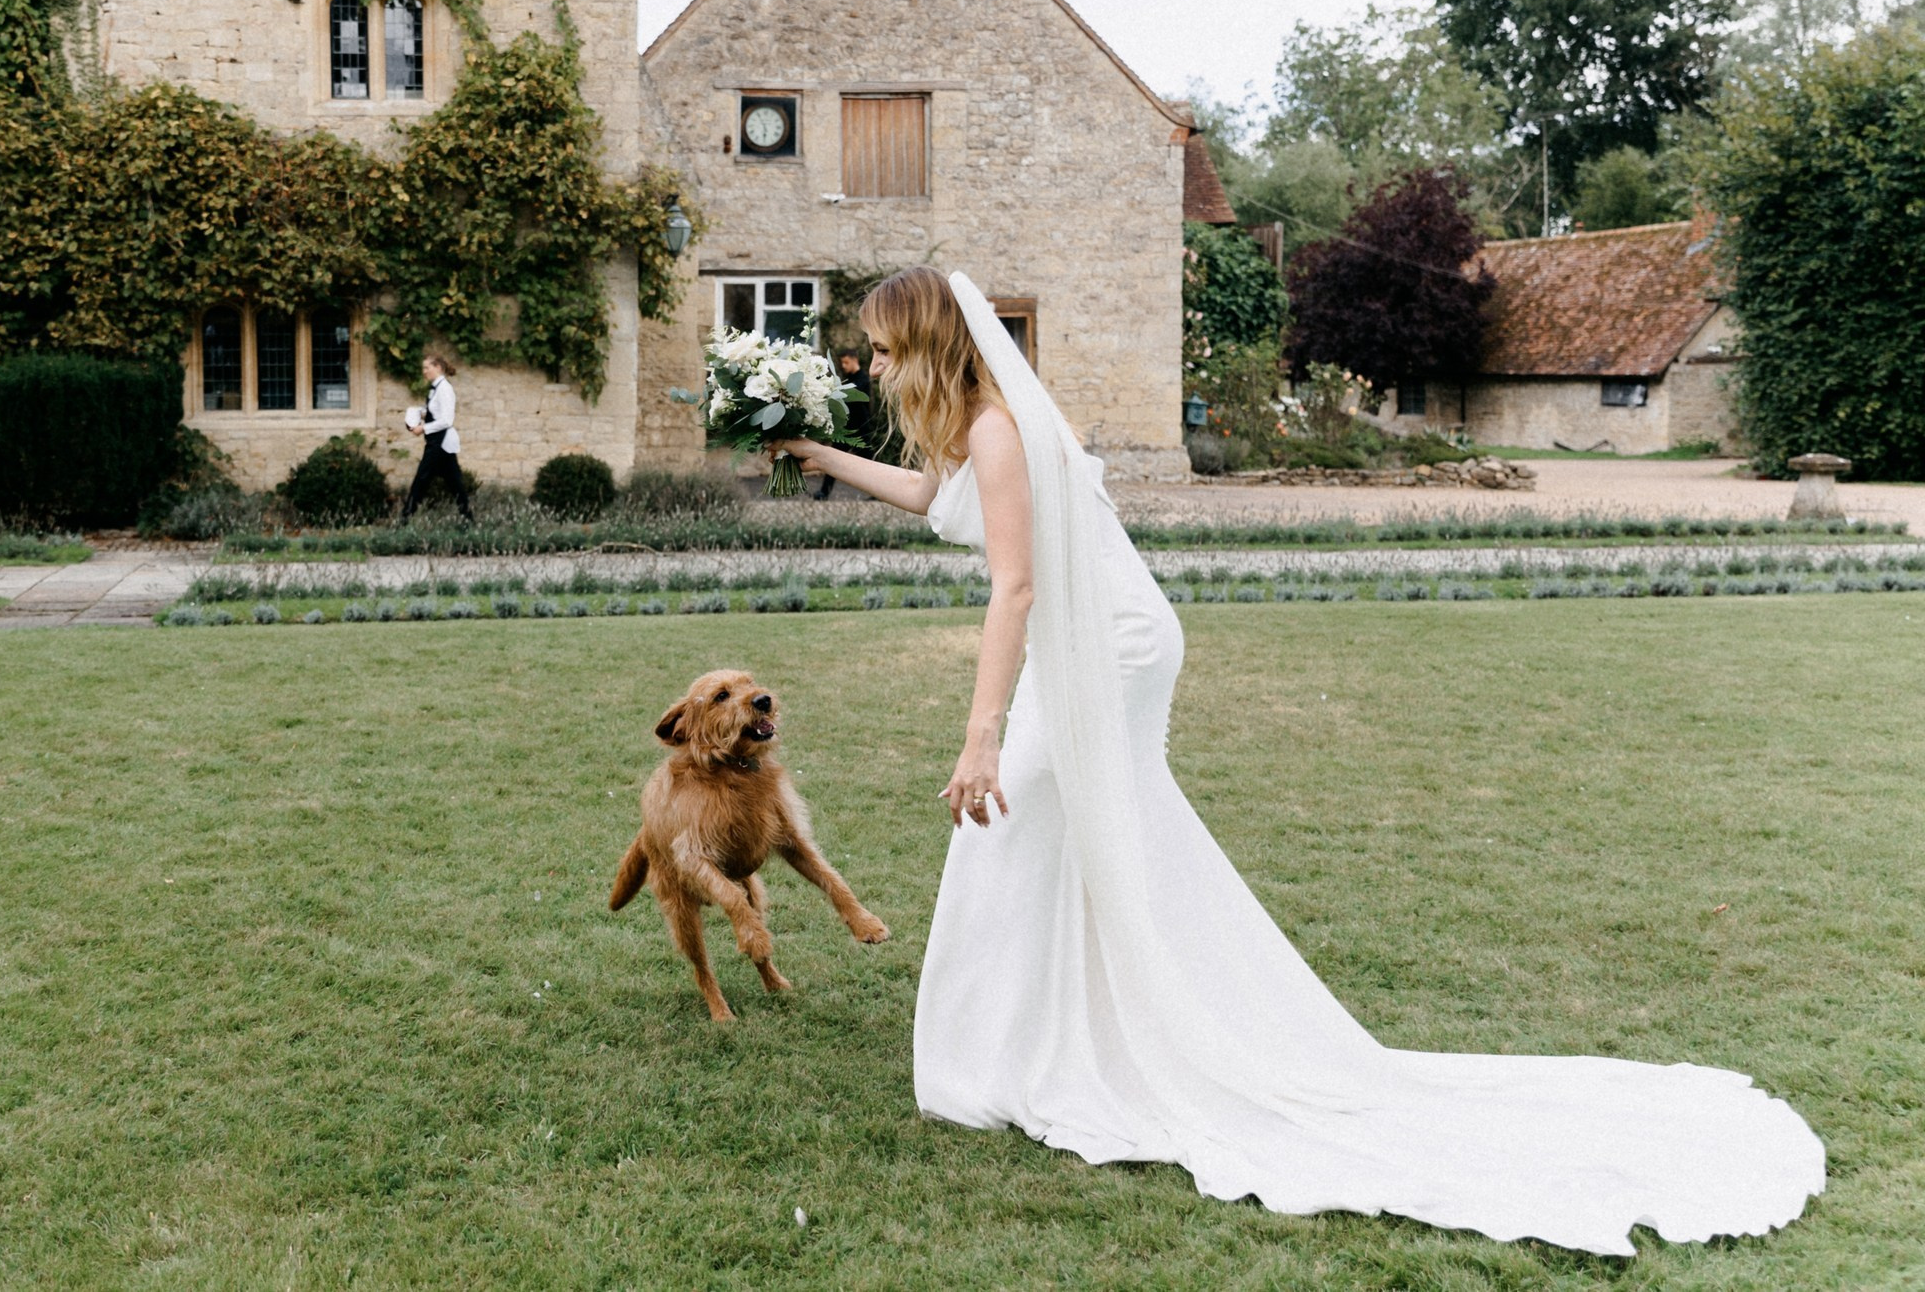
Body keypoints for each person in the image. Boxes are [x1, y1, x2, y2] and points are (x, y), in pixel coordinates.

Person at [768, 266, 1822, 1257]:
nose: (874, 368)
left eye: (882, 350)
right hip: (1090, 646)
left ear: (929, 345)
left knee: (1006, 817)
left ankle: (1065, 1047)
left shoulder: (1000, 432)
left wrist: (981, 731)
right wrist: (820, 458)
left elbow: (1015, 589)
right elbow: (928, 501)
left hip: (1110, 649)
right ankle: (1052, 1034)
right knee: (1056, 834)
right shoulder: (979, 434)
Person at [400, 352, 472, 523]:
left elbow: (447, 420)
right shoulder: (436, 389)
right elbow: (436, 413)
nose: (424, 371)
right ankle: (468, 520)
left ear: (438, 368)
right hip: (438, 442)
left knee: (421, 479)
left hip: (440, 442)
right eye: (423, 368)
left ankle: (405, 519)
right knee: (455, 484)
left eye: (427, 367)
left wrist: (422, 428)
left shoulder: (445, 389)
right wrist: (419, 414)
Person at [812, 348, 873, 501]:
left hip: (860, 429)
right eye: (842, 363)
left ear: (854, 359)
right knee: (834, 461)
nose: (844, 366)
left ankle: (879, 493)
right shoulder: (849, 379)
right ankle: (824, 492)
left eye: (846, 362)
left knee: (870, 463)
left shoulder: (862, 379)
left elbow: (850, 395)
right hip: (846, 429)